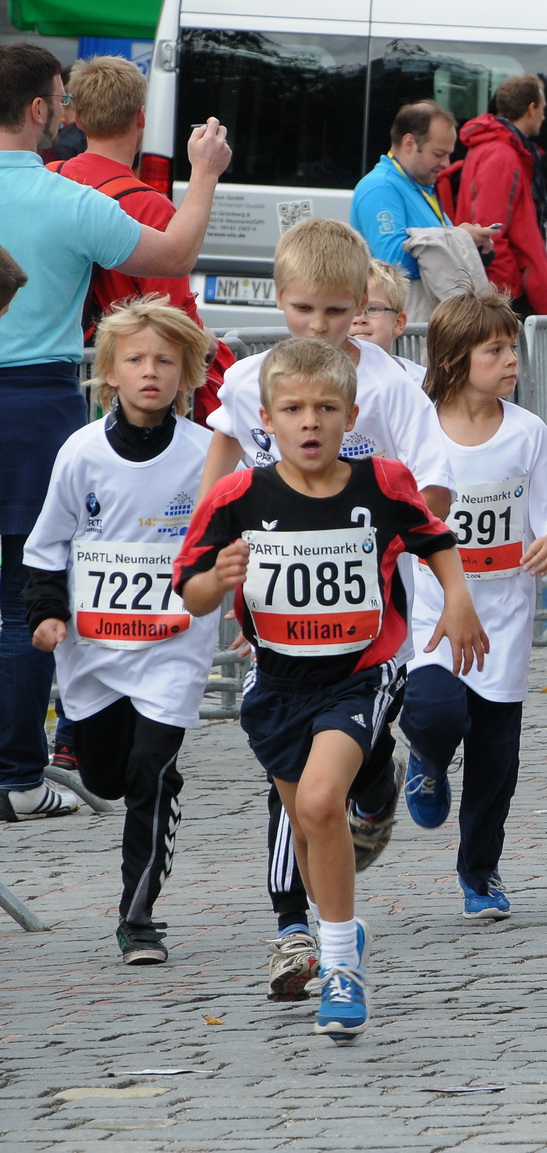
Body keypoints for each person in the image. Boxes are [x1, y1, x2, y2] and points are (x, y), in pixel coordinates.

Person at [177, 337, 486, 1041]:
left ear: (350, 416)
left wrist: (458, 597)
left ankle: (341, 968)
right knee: (315, 830)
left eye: (325, 408)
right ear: (267, 420)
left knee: (320, 800)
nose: (309, 421)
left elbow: (432, 536)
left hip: (361, 672)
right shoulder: (238, 495)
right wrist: (216, 580)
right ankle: (340, 928)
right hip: (278, 685)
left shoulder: (381, 481)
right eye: (293, 409)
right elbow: (190, 590)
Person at [198, 217, 454, 1002]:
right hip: (274, 607)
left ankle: (375, 788)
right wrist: (213, 551)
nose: (319, 326)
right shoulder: (248, 380)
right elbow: (224, 456)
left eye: (337, 313)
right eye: (304, 311)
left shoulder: (390, 385)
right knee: (300, 779)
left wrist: (387, 544)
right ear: (280, 301)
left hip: (371, 599)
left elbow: (431, 487)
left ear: (364, 306)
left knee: (340, 770)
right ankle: (298, 927)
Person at [0, 43, 230, 823]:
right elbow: (174, 252)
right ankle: (18, 773)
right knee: (21, 593)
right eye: (59, 101)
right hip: (36, 402)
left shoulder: (66, 182)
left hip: (40, 402)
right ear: (38, 111)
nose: (65, 114)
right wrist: (202, 172)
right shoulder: (63, 194)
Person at [21, 298, 221, 962]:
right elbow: (48, 544)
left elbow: (235, 539)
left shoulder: (205, 455)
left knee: (150, 770)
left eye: (166, 360)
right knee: (108, 778)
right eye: (135, 359)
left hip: (174, 644)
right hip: (96, 650)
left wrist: (242, 610)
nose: (150, 373)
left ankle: (138, 920)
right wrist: (47, 612)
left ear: (187, 372)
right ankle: (148, 781)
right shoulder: (80, 453)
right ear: (108, 371)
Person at [396, 289, 547, 921]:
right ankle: (425, 757)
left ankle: (480, 873)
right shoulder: (416, 432)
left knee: (497, 762)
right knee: (435, 710)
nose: (510, 361)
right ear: (452, 359)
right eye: (494, 350)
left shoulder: (528, 433)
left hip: (505, 615)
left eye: (512, 348)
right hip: (433, 610)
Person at [52, 55, 235, 426]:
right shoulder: (147, 205)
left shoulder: (51, 178)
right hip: (125, 393)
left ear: (80, 120)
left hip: (65, 370)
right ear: (141, 116)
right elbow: (175, 316)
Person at [350, 101, 498, 319]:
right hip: (401, 333)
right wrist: (458, 238)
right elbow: (393, 264)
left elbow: (433, 249)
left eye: (448, 154)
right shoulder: (380, 187)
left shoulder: (420, 187)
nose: (447, 163)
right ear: (409, 143)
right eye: (439, 154)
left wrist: (471, 244)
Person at [454, 74, 547, 316]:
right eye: (543, 107)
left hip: (501, 284)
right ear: (531, 108)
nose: (544, 115)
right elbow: (491, 230)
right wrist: (508, 288)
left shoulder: (497, 147)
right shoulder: (502, 154)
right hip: (505, 290)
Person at [350, 259, 423, 382]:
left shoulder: (423, 382)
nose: (360, 319)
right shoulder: (319, 383)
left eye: (373, 309)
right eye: (349, 309)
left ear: (398, 323)